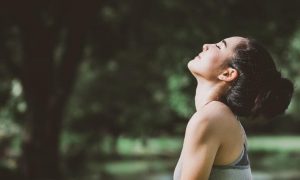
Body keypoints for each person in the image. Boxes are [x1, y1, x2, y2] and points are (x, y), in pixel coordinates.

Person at [173, 36, 294, 180]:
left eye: (219, 46)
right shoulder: (221, 117)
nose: (206, 45)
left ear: (227, 74)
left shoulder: (211, 119)